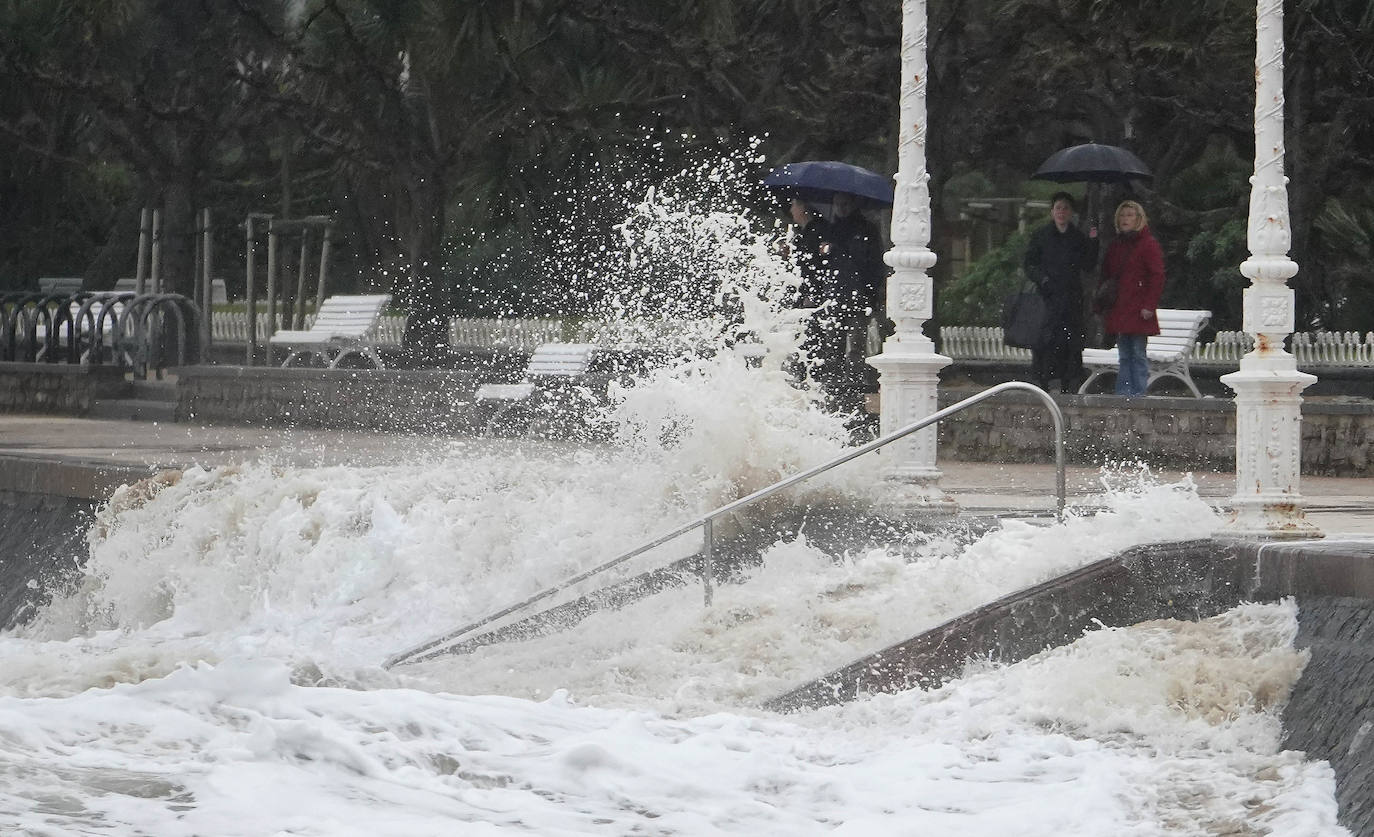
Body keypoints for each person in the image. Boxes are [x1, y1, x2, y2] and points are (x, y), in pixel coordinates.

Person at [1023, 191, 1096, 392]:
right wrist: (1043, 280)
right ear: (1052, 212)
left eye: (1065, 208)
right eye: (1058, 208)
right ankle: (1043, 380)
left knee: (1069, 341)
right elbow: (1029, 264)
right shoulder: (1041, 236)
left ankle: (1068, 380)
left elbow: (1088, 264)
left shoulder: (1077, 238)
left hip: (1071, 299)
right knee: (1046, 339)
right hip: (1048, 298)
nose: (1061, 212)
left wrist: (1093, 240)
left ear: (1071, 213)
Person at [1098, 200, 1165, 397]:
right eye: (1122, 215)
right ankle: (1124, 393)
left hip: (1138, 308)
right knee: (1124, 354)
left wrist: (1149, 305)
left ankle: (1138, 394)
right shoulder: (1116, 245)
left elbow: (1157, 276)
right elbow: (1107, 274)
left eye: (1130, 215)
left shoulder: (1148, 244)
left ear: (1138, 219)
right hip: (1120, 307)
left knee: (1137, 352)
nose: (1125, 219)